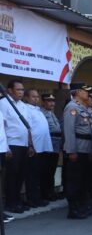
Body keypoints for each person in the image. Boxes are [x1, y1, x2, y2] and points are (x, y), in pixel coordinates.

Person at [62, 83, 92, 219]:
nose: (87, 93)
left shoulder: (84, 108)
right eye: (84, 91)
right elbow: (69, 131)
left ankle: (82, 205)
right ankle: (73, 209)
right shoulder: (72, 107)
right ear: (76, 92)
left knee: (83, 180)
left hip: (86, 149)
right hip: (77, 148)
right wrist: (71, 151)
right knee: (75, 180)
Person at [0, 79, 33, 213]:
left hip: (24, 144)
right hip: (11, 144)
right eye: (18, 89)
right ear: (9, 90)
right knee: (12, 175)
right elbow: (2, 127)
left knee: (21, 174)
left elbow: (28, 127)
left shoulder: (23, 106)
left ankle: (18, 201)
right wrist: (6, 147)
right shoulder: (3, 103)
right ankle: (10, 203)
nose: (21, 92)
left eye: (22, 90)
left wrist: (30, 145)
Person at [22, 88, 53, 208]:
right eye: (33, 97)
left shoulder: (38, 110)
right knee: (32, 175)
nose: (36, 99)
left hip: (42, 147)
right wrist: (30, 145)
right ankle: (32, 199)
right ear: (26, 98)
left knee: (39, 174)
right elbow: (27, 128)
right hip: (34, 147)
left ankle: (38, 197)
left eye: (37, 97)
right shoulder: (26, 109)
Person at [41, 93, 62, 201]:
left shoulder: (51, 113)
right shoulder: (41, 113)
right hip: (47, 145)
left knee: (52, 170)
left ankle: (50, 192)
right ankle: (45, 193)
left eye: (53, 101)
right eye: (49, 101)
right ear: (43, 102)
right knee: (46, 171)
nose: (52, 103)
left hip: (56, 145)